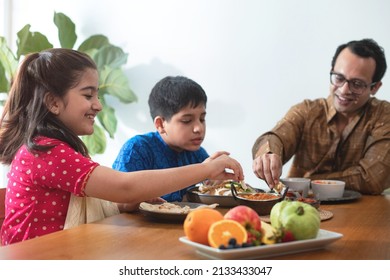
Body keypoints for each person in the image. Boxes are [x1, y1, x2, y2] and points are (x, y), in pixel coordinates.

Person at [0, 48, 244, 245]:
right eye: (88, 95)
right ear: (53, 102)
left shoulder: (55, 149)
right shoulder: (46, 152)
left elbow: (119, 196)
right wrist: (206, 169)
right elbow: (125, 186)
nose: (98, 105)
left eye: (97, 95)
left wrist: (127, 203)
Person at [252, 38, 389, 195]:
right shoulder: (308, 111)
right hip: (299, 210)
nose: (344, 90)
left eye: (357, 84)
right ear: (331, 71)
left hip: (363, 215)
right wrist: (268, 154)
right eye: (339, 78)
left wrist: (307, 181)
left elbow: (372, 178)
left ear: (375, 87)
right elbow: (275, 137)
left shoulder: (384, 116)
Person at [112, 76, 209, 202]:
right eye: (187, 121)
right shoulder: (137, 149)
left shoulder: (198, 155)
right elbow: (120, 200)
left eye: (202, 119)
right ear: (160, 124)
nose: (199, 128)